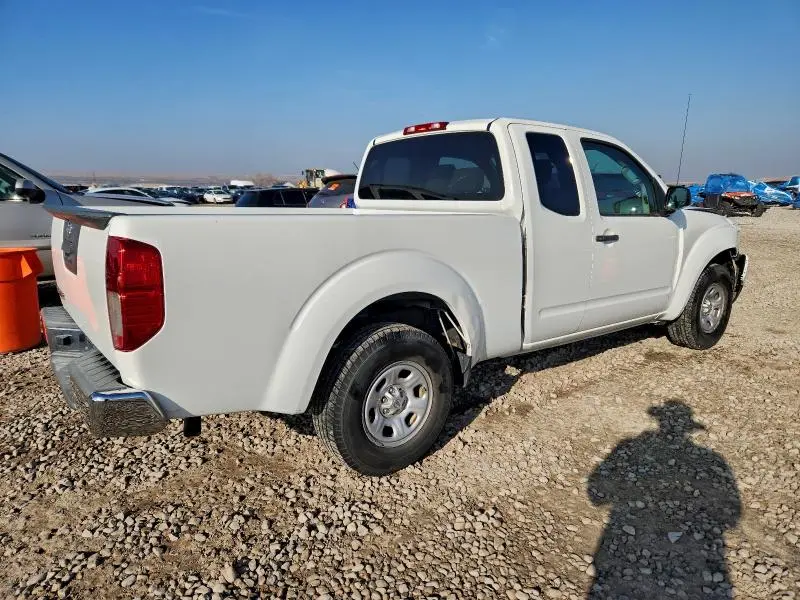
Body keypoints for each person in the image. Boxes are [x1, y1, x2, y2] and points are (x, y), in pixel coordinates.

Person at [587, 401, 741, 599]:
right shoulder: (712, 460)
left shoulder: (631, 446)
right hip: (692, 557)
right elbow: (732, 516)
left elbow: (596, 495)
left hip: (628, 544)